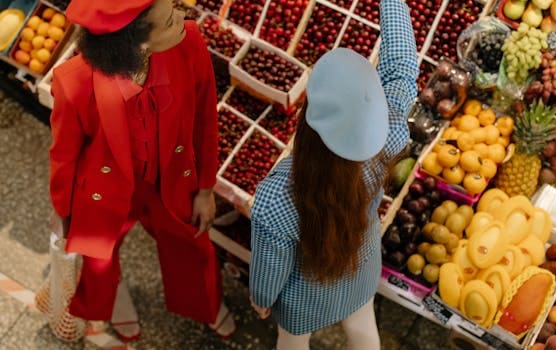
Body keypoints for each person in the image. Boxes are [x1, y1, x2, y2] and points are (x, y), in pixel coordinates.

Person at [47, 0, 235, 341]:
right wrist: (62, 209)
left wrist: (206, 188)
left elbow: (206, 117)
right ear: (133, 39)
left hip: (172, 176)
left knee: (193, 242)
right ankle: (112, 297)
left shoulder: (189, 41)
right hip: (108, 188)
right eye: (167, 20)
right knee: (101, 256)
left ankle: (206, 303)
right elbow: (63, 154)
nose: (182, 18)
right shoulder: (73, 82)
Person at [248, 0, 418, 348]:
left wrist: (261, 299)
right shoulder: (392, 136)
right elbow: (402, 66)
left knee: (292, 342)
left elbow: (270, 268)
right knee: (362, 327)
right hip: (361, 271)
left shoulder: (276, 197)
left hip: (303, 299)